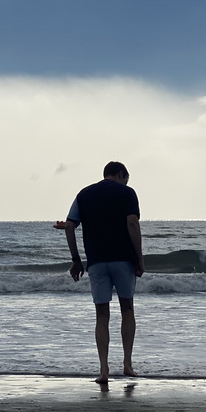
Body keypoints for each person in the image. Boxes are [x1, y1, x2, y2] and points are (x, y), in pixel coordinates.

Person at [63, 160, 144, 385]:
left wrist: (76, 260)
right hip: (123, 260)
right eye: (125, 179)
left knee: (102, 315)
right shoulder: (127, 193)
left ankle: (103, 370)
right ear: (120, 174)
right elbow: (132, 224)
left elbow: (69, 226)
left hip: (97, 261)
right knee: (127, 309)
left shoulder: (84, 194)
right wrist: (139, 257)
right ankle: (127, 364)